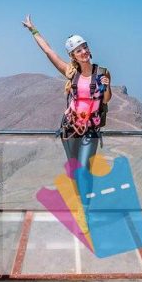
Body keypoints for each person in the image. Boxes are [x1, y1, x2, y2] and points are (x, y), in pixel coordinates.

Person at [22, 15, 111, 171]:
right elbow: (49, 52)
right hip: (69, 127)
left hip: (90, 129)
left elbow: (105, 100)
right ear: (73, 56)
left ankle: (85, 196)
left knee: (84, 170)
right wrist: (33, 30)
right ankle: (79, 196)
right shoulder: (71, 72)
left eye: (85, 47)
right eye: (79, 50)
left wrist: (107, 86)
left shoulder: (102, 72)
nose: (84, 51)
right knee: (75, 171)